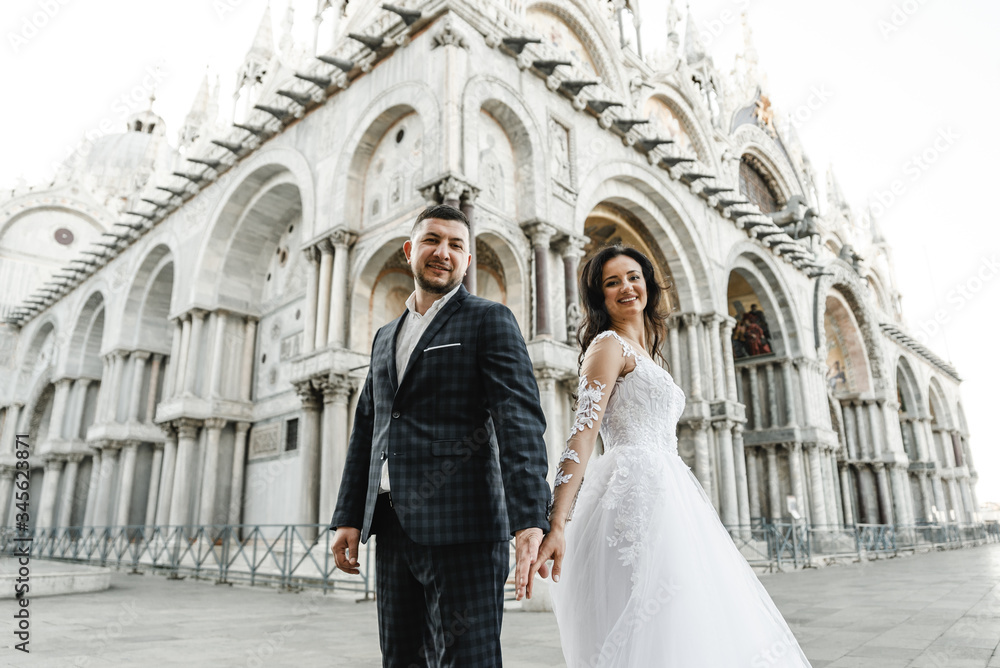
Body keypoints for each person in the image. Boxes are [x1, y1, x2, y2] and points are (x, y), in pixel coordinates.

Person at [529, 245, 812, 667]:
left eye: (633, 277)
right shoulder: (608, 346)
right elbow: (582, 435)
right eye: (612, 282)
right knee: (647, 616)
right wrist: (556, 521)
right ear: (599, 297)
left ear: (647, 284)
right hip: (630, 497)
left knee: (689, 619)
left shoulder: (649, 354)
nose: (626, 287)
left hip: (672, 496)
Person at [329, 204, 550, 668]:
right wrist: (350, 514)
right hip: (391, 528)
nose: (442, 253)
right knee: (401, 659)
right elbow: (368, 426)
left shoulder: (490, 320)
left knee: (468, 660)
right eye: (432, 240)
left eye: (456, 245)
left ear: (468, 260)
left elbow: (520, 420)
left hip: (465, 528)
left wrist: (530, 518)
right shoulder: (385, 336)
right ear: (410, 251)